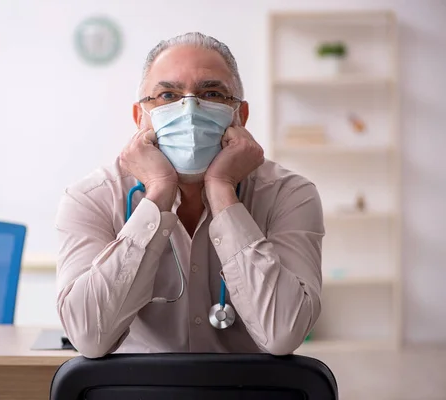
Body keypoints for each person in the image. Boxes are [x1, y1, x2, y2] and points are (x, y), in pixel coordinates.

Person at [55, 32, 324, 358]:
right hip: (137, 390)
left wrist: (223, 190)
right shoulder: (91, 198)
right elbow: (88, 337)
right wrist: (158, 193)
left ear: (241, 115)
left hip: (248, 391)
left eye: (212, 93)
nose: (190, 109)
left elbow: (283, 333)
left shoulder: (289, 194)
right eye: (168, 95)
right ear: (141, 118)